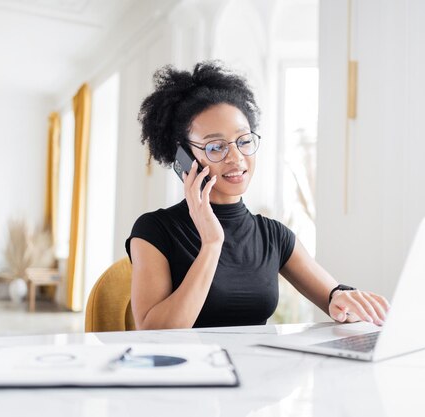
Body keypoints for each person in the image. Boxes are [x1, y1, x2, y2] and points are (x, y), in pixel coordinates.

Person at [125, 61, 390, 330]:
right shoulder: (154, 230)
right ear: (184, 158)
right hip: (188, 371)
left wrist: (344, 301)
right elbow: (154, 333)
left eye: (244, 140)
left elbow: (334, 295)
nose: (236, 157)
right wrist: (212, 244)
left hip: (258, 370)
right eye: (216, 147)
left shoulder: (273, 235)